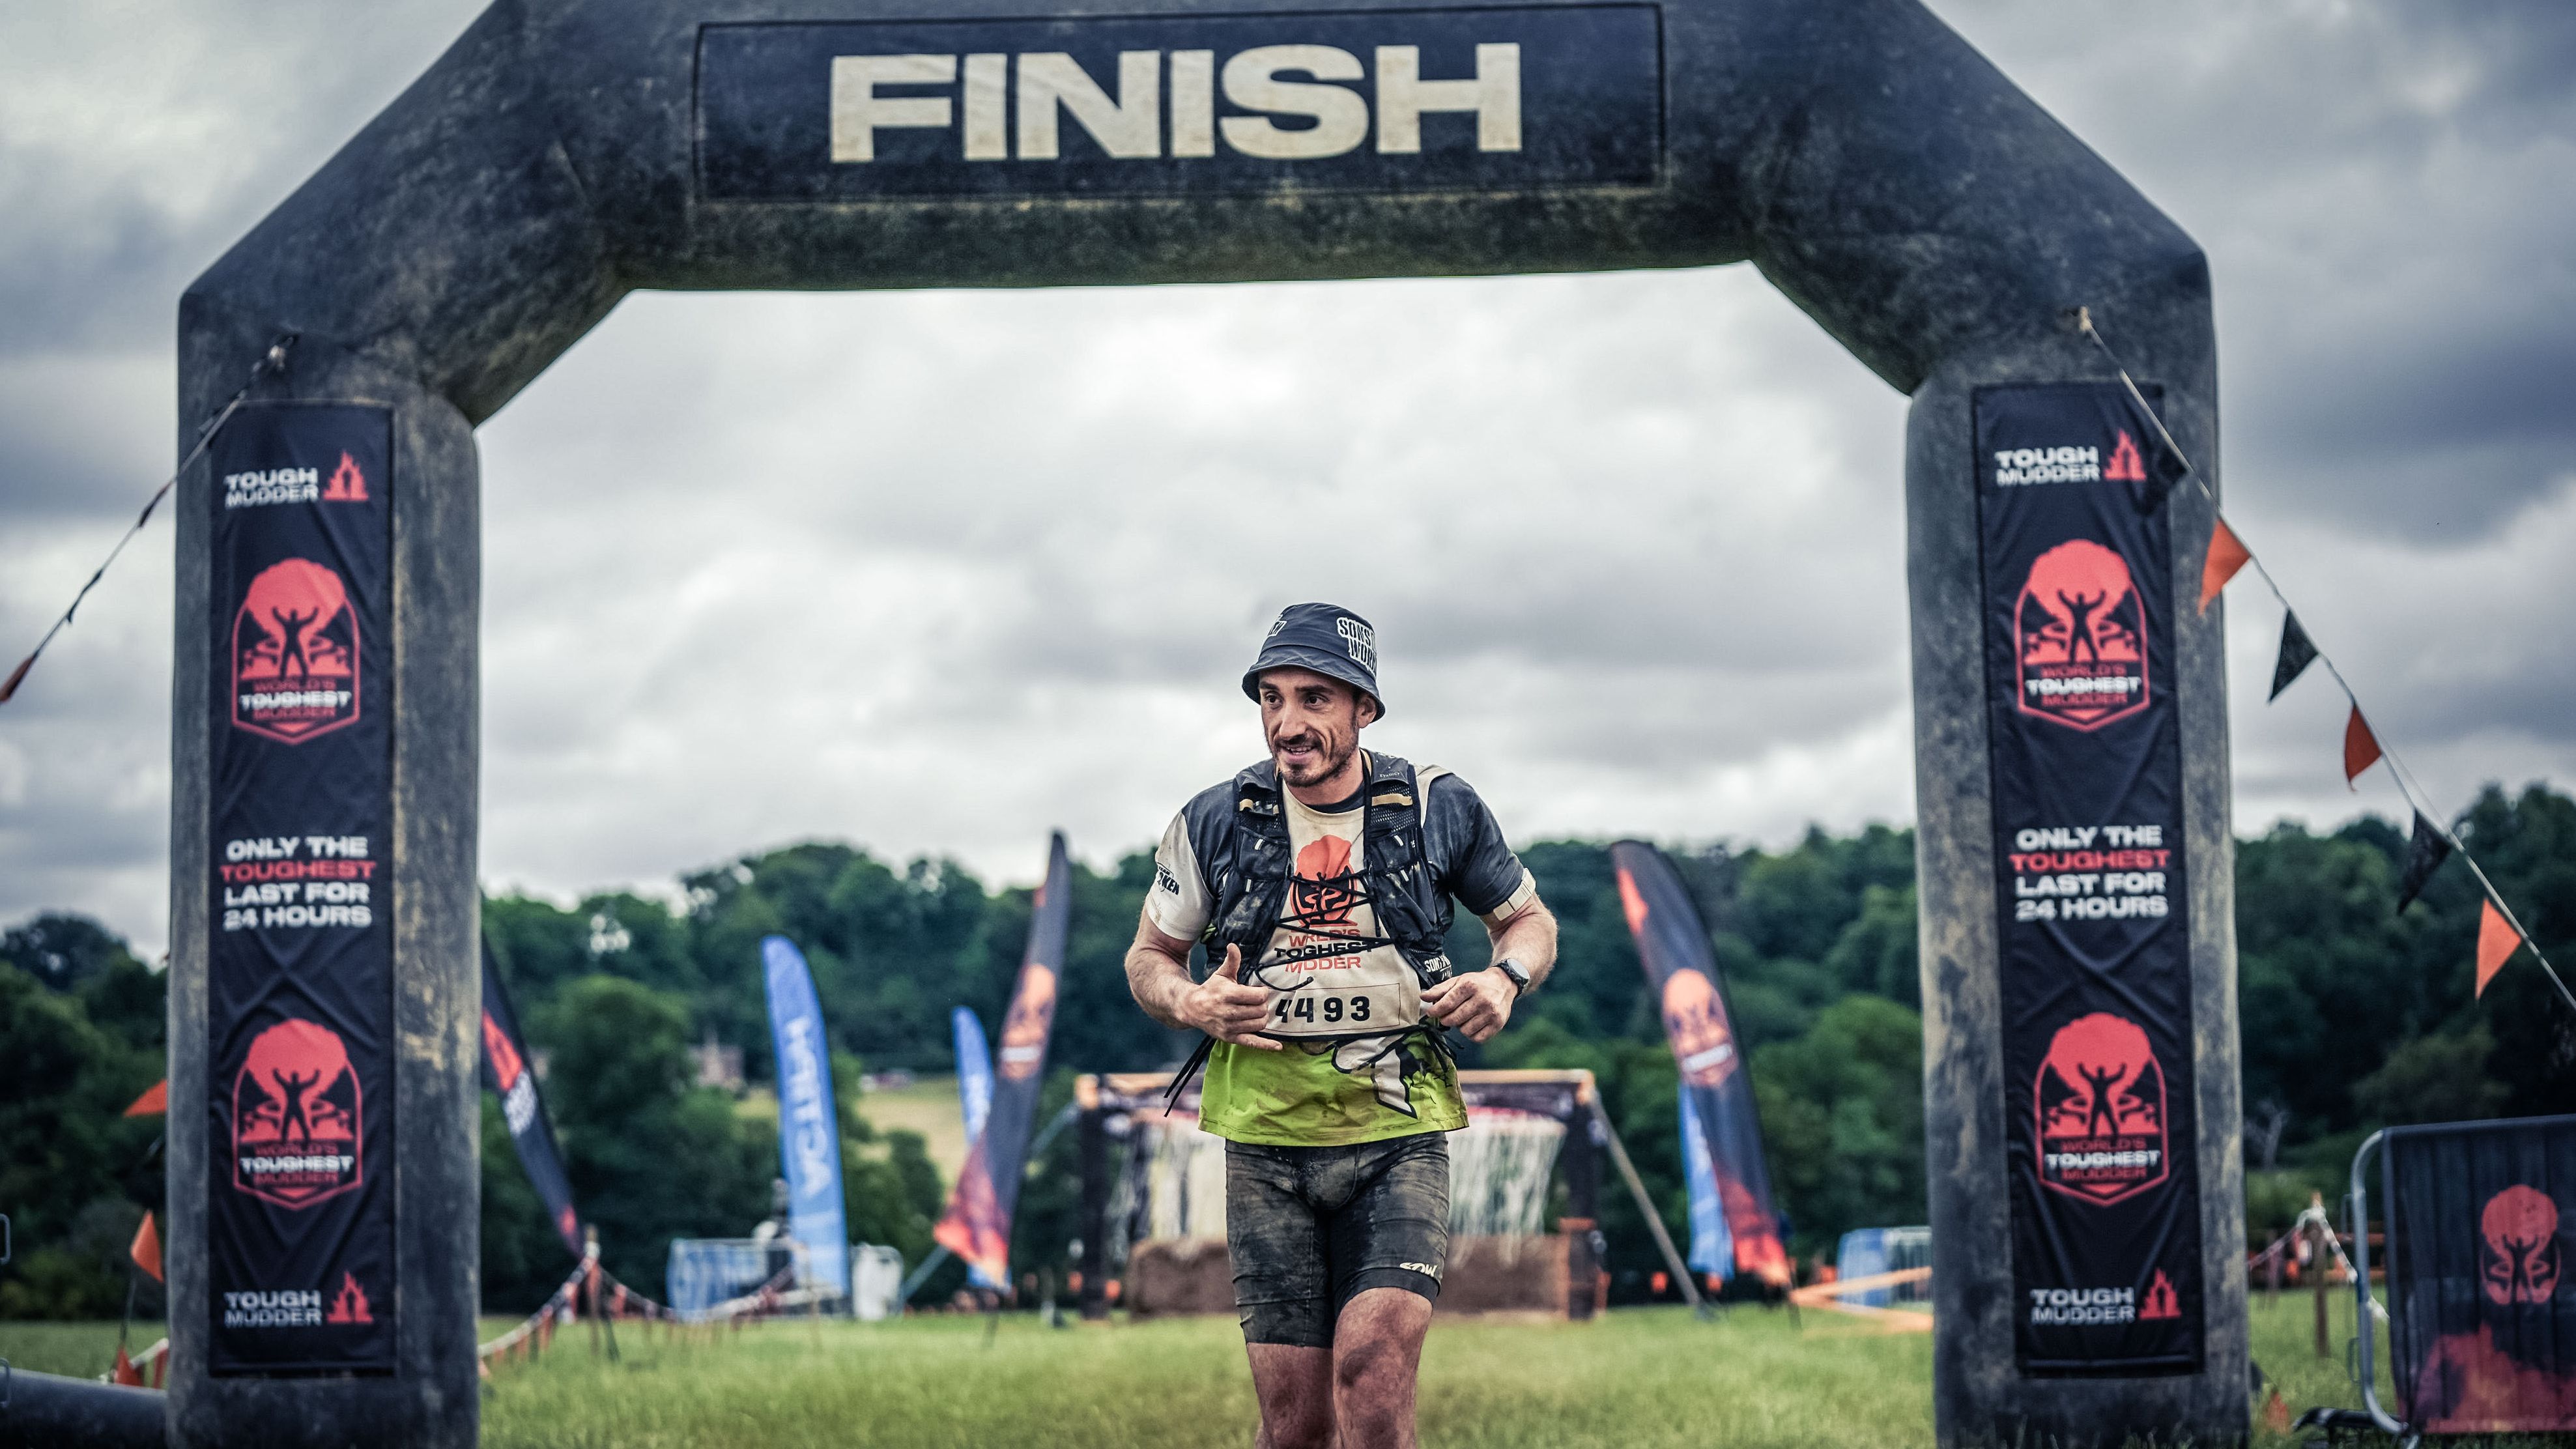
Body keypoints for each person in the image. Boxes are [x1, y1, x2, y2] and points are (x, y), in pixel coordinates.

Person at [1124, 603, 1558, 1449]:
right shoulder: (1214, 820)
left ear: (1364, 709)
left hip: (1398, 1137)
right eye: (1273, 698)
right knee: (1292, 1425)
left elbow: (1529, 922)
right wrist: (1190, 1003)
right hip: (1265, 1145)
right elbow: (1148, 958)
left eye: (1315, 699)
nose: (1288, 723)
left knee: (1370, 1370)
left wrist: (1504, 979)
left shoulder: (1437, 806)